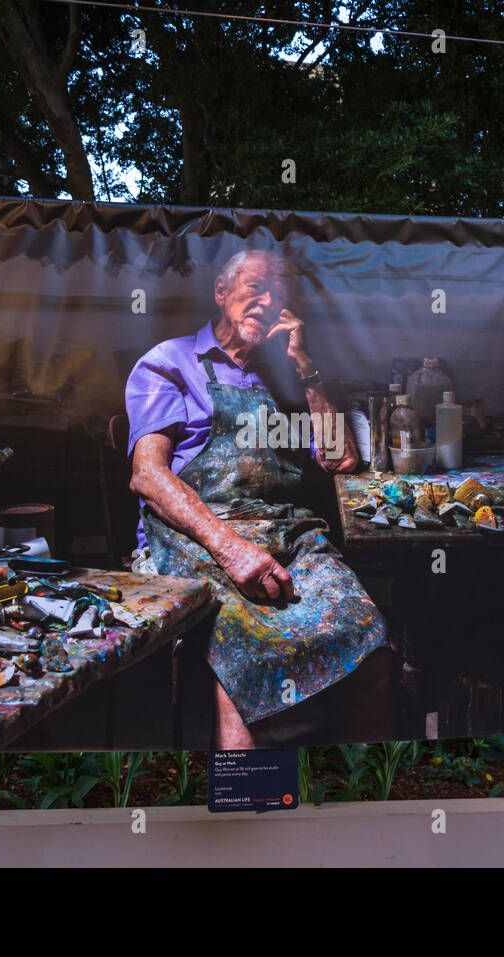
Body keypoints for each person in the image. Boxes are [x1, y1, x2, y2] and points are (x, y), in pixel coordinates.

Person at [125, 248, 392, 748]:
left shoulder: (287, 371)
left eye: (279, 294)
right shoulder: (169, 362)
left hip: (288, 536)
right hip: (196, 540)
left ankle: (364, 802)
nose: (268, 301)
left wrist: (306, 368)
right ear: (221, 292)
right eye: (255, 288)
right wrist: (232, 549)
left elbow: (339, 460)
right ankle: (250, 810)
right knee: (248, 662)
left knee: (372, 644)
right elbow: (148, 477)